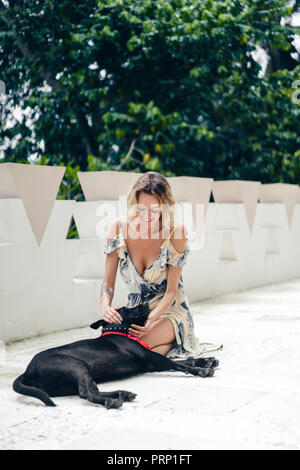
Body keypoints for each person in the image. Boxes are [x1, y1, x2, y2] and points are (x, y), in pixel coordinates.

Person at [100, 171, 222, 360]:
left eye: (154, 210)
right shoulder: (118, 229)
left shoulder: (176, 233)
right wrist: (106, 307)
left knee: (133, 349)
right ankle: (168, 348)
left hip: (169, 311)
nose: (146, 216)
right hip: (137, 310)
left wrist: (151, 320)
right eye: (141, 208)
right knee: (108, 343)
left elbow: (171, 293)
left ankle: (173, 340)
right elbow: (107, 285)